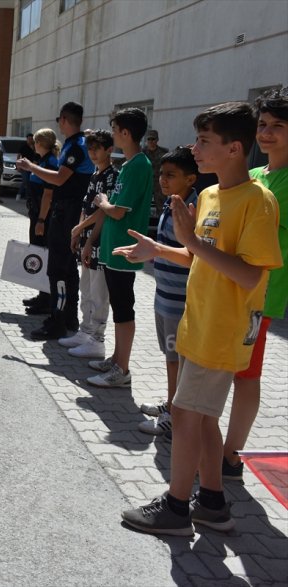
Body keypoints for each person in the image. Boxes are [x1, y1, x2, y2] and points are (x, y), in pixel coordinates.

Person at [117, 102, 281, 536]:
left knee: (186, 414)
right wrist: (160, 250)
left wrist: (189, 239)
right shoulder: (209, 195)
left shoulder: (257, 202)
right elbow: (198, 257)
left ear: (234, 149)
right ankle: (211, 502)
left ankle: (176, 508)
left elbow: (249, 274)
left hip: (223, 330)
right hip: (197, 323)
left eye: (205, 141)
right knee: (203, 417)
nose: (195, 148)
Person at [221, 88, 288, 481]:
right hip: (229, 289)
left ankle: (232, 456)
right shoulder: (258, 175)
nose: (266, 134)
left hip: (261, 296)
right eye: (263, 125)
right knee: (228, 370)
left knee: (246, 375)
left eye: (278, 127)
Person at [85, 108, 152, 387]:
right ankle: (116, 359)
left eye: (114, 130)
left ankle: (121, 370)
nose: (113, 134)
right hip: (115, 248)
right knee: (118, 306)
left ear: (125, 133)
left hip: (125, 250)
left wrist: (102, 202)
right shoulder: (128, 165)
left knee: (124, 310)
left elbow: (118, 211)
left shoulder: (139, 166)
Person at [16, 102, 94, 339]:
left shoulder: (76, 146)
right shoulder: (75, 144)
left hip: (68, 211)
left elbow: (59, 180)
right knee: (67, 268)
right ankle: (68, 317)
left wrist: (30, 167)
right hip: (67, 211)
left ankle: (58, 320)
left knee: (58, 269)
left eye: (59, 120)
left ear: (63, 120)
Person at [136, 147, 198, 437]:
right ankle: (172, 403)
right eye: (161, 174)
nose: (163, 179)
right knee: (170, 357)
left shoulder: (192, 208)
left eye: (171, 175)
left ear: (191, 178)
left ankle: (176, 416)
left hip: (179, 301)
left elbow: (191, 253)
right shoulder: (171, 202)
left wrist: (158, 250)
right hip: (164, 296)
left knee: (177, 360)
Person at [61, 129, 118, 357]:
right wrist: (78, 231)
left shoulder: (112, 176)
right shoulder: (95, 174)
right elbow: (87, 208)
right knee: (86, 289)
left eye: (97, 149)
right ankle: (85, 331)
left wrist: (85, 233)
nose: (93, 153)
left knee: (99, 293)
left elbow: (103, 212)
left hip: (99, 241)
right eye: (90, 149)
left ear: (109, 150)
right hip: (86, 238)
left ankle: (97, 339)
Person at [22, 128, 60, 315]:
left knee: (44, 255)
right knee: (39, 252)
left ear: (40, 143)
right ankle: (42, 295)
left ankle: (46, 299)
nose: (33, 144)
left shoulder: (51, 162)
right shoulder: (44, 161)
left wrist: (42, 220)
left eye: (35, 141)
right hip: (36, 213)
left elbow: (48, 194)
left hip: (43, 216)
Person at [144, 130, 169, 216]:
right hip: (146, 183)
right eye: (149, 139)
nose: (151, 141)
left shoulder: (164, 152)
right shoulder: (141, 153)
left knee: (162, 206)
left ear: (157, 139)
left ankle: (162, 225)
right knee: (143, 206)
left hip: (159, 183)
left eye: (153, 139)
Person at [18, 133, 39, 199]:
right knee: (26, 180)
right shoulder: (23, 146)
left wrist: (33, 149)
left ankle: (20, 194)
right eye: (29, 139)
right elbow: (19, 155)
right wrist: (18, 165)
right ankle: (27, 196)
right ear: (27, 139)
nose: (30, 140)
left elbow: (37, 155)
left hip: (33, 166)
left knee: (29, 181)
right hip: (24, 166)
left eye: (31, 139)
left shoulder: (35, 146)